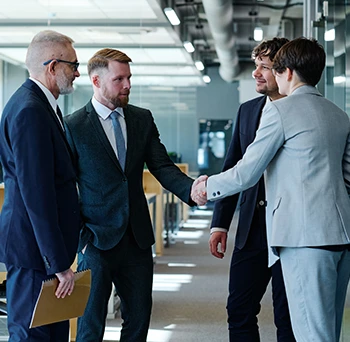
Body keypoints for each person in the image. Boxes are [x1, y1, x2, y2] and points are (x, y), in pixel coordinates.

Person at [193, 37, 350, 342]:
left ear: (288, 72)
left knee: (308, 334)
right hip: (340, 236)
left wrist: (206, 187)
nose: (269, 74)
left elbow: (246, 173)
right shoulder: (339, 115)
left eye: (274, 69)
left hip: (302, 239)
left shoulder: (281, 111)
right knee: (327, 331)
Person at [64, 48, 206, 342]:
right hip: (96, 241)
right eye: (119, 79)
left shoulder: (141, 119)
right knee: (90, 327)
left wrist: (191, 189)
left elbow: (162, 166)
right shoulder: (73, 126)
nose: (128, 85)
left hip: (138, 239)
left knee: (138, 323)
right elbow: (65, 187)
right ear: (96, 81)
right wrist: (80, 237)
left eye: (129, 77)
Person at [209, 37, 295, 341]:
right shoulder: (248, 111)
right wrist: (219, 223)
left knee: (288, 319)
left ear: (286, 71)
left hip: (291, 232)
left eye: (265, 67)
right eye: (256, 66)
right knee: (239, 310)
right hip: (251, 231)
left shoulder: (303, 111)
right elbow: (232, 166)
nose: (256, 73)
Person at [0, 30, 81, 341]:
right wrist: (59, 263)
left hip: (42, 251)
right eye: (73, 65)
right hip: (33, 252)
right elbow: (38, 195)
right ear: (52, 66)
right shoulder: (30, 110)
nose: (76, 72)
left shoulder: (41, 105)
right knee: (33, 335)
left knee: (53, 332)